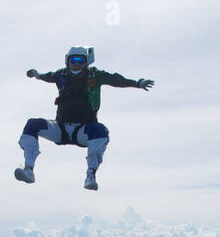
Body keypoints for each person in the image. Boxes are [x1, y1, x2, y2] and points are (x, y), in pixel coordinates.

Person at [16, 46, 154, 190]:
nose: (76, 64)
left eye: (80, 60)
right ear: (67, 61)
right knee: (32, 124)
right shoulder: (61, 75)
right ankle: (29, 169)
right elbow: (47, 76)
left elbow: (116, 80)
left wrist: (137, 83)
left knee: (101, 131)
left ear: (86, 62)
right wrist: (36, 74)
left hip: (84, 130)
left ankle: (91, 175)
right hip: (61, 128)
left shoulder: (95, 75)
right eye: (73, 60)